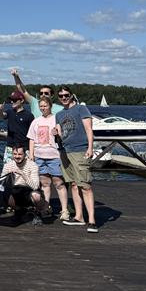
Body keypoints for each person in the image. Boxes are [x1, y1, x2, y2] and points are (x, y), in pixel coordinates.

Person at [54, 86, 98, 233]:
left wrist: (90, 148)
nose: (64, 98)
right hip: (65, 152)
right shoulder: (59, 114)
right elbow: (61, 134)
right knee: (73, 184)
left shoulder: (81, 109)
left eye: (66, 95)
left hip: (80, 150)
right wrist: (55, 133)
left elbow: (89, 129)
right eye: (61, 96)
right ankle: (79, 217)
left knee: (85, 185)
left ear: (72, 95)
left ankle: (92, 221)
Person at [27, 97, 69, 220]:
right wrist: (31, 154)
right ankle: (45, 208)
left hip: (54, 156)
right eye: (41, 106)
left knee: (59, 183)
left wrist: (58, 134)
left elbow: (63, 136)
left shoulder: (56, 119)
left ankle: (64, 210)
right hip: (40, 156)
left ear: (50, 106)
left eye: (45, 106)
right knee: (45, 184)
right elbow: (31, 139)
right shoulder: (36, 121)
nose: (43, 108)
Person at [0, 145, 48, 226]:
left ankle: (38, 213)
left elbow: (35, 186)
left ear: (25, 155)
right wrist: (8, 177)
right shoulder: (7, 165)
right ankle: (18, 211)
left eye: (20, 154)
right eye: (15, 154)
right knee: (3, 193)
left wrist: (23, 174)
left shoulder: (33, 165)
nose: (17, 156)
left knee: (36, 196)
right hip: (15, 190)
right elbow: (1, 184)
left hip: (29, 190)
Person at [0, 90, 34, 165]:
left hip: (24, 148)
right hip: (10, 147)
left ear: (22, 100)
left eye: (14, 100)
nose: (12, 102)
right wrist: (0, 110)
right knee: (8, 168)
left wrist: (31, 152)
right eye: (11, 100)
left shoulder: (29, 115)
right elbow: (2, 116)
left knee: (25, 169)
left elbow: (32, 133)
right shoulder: (10, 112)